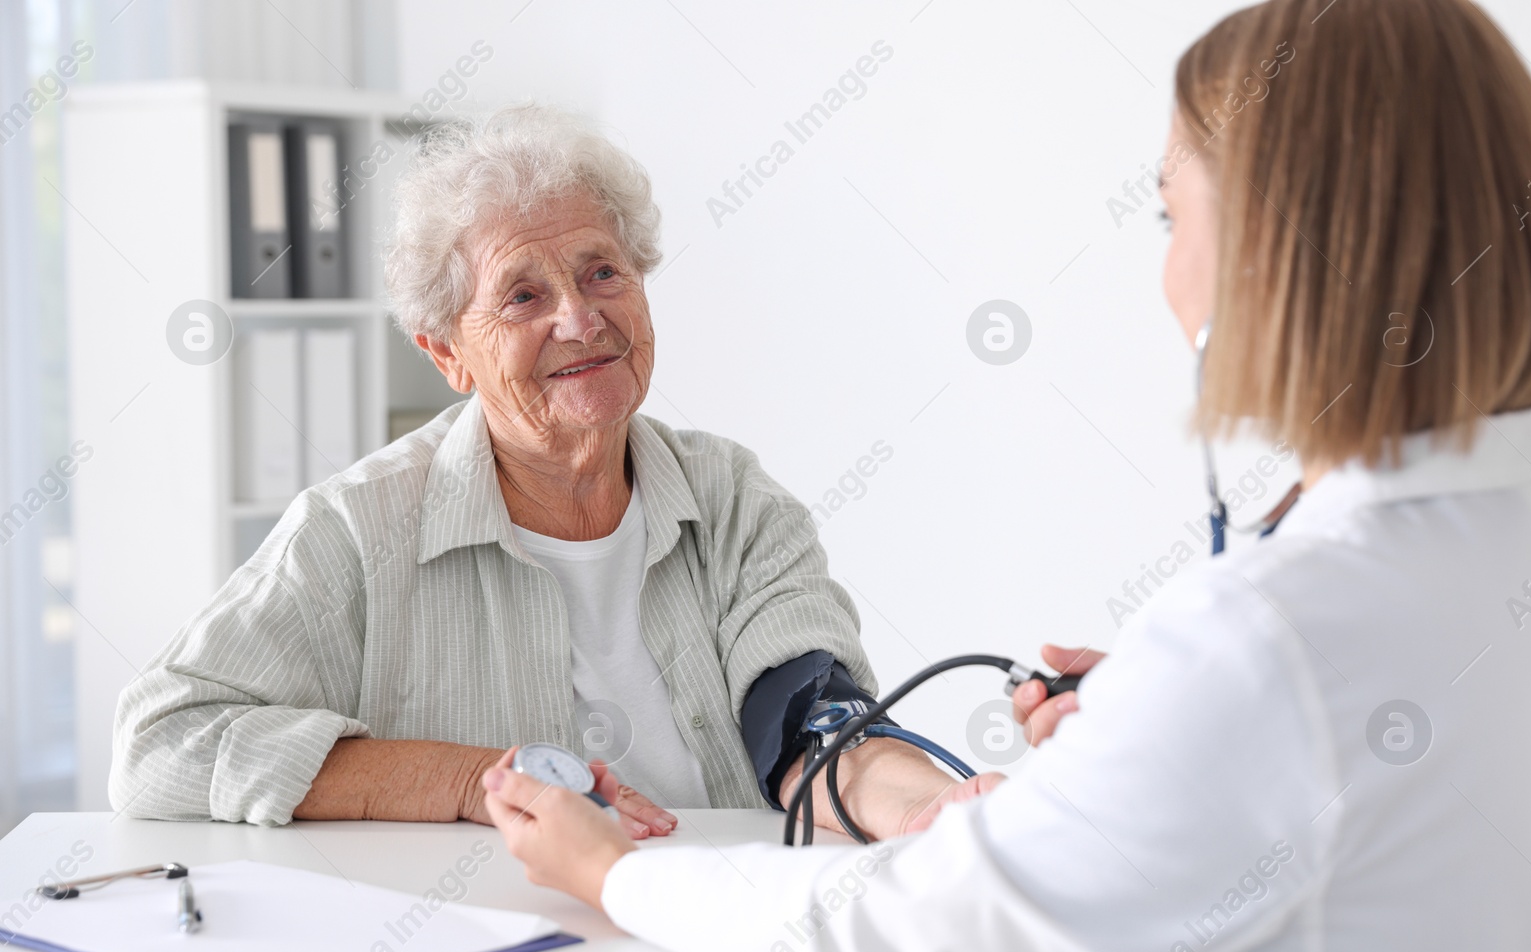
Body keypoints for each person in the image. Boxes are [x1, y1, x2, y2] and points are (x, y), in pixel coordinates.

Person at [479, 0, 1531, 952]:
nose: (580, 319)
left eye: (1172, 215)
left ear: (1278, 255)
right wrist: (1165, 725)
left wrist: (613, 872)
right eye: (522, 297)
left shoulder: (1273, 635)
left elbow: (924, 941)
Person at [108, 104, 972, 836]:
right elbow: (158, 746)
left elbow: (813, 729)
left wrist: (950, 812)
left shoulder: (734, 500)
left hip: (721, 936)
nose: (580, 318)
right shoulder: (354, 532)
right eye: (523, 295)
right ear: (447, 354)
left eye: (603, 271)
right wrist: (470, 781)